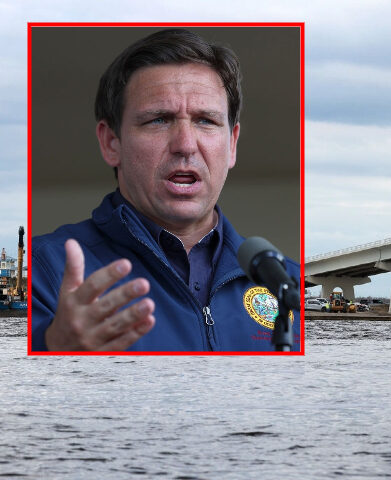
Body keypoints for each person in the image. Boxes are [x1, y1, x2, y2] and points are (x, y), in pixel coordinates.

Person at [30, 28, 301, 352]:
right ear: (110, 142)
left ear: (232, 144)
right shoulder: (42, 272)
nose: (185, 145)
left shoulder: (287, 282)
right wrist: (52, 353)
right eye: (159, 119)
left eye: (206, 121)